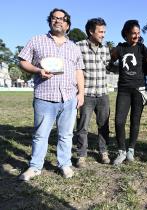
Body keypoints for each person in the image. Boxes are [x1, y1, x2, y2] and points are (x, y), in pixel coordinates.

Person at [18, 8, 85, 181]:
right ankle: (35, 166)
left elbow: (79, 71)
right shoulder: (36, 40)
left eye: (62, 19)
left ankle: (64, 164)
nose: (58, 21)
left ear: (67, 24)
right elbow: (22, 62)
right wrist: (38, 70)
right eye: (55, 18)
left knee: (66, 135)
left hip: (69, 97)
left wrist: (81, 93)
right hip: (45, 96)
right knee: (40, 134)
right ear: (50, 21)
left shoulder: (74, 47)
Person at [110, 20, 147, 165]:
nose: (136, 36)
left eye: (138, 33)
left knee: (135, 121)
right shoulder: (120, 48)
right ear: (126, 33)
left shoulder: (142, 48)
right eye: (134, 33)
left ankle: (131, 149)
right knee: (119, 121)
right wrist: (112, 55)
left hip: (138, 90)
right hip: (124, 90)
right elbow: (111, 62)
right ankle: (121, 151)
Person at [75, 18, 111, 168]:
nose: (103, 34)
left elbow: (109, 66)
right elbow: (75, 70)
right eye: (100, 31)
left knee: (104, 125)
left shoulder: (105, 48)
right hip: (87, 94)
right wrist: (79, 92)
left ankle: (103, 152)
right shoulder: (78, 47)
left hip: (103, 93)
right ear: (91, 31)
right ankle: (82, 155)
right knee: (83, 126)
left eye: (104, 31)